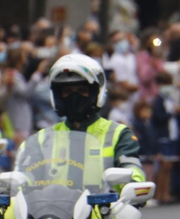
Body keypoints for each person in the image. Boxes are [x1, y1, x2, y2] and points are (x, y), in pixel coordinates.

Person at [37, 54, 145, 182]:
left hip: (105, 202)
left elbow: (131, 167)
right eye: (68, 91)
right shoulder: (44, 138)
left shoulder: (118, 134)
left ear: (95, 93)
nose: (74, 97)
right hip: (54, 202)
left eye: (82, 90)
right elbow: (26, 174)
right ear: (58, 96)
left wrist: (133, 183)